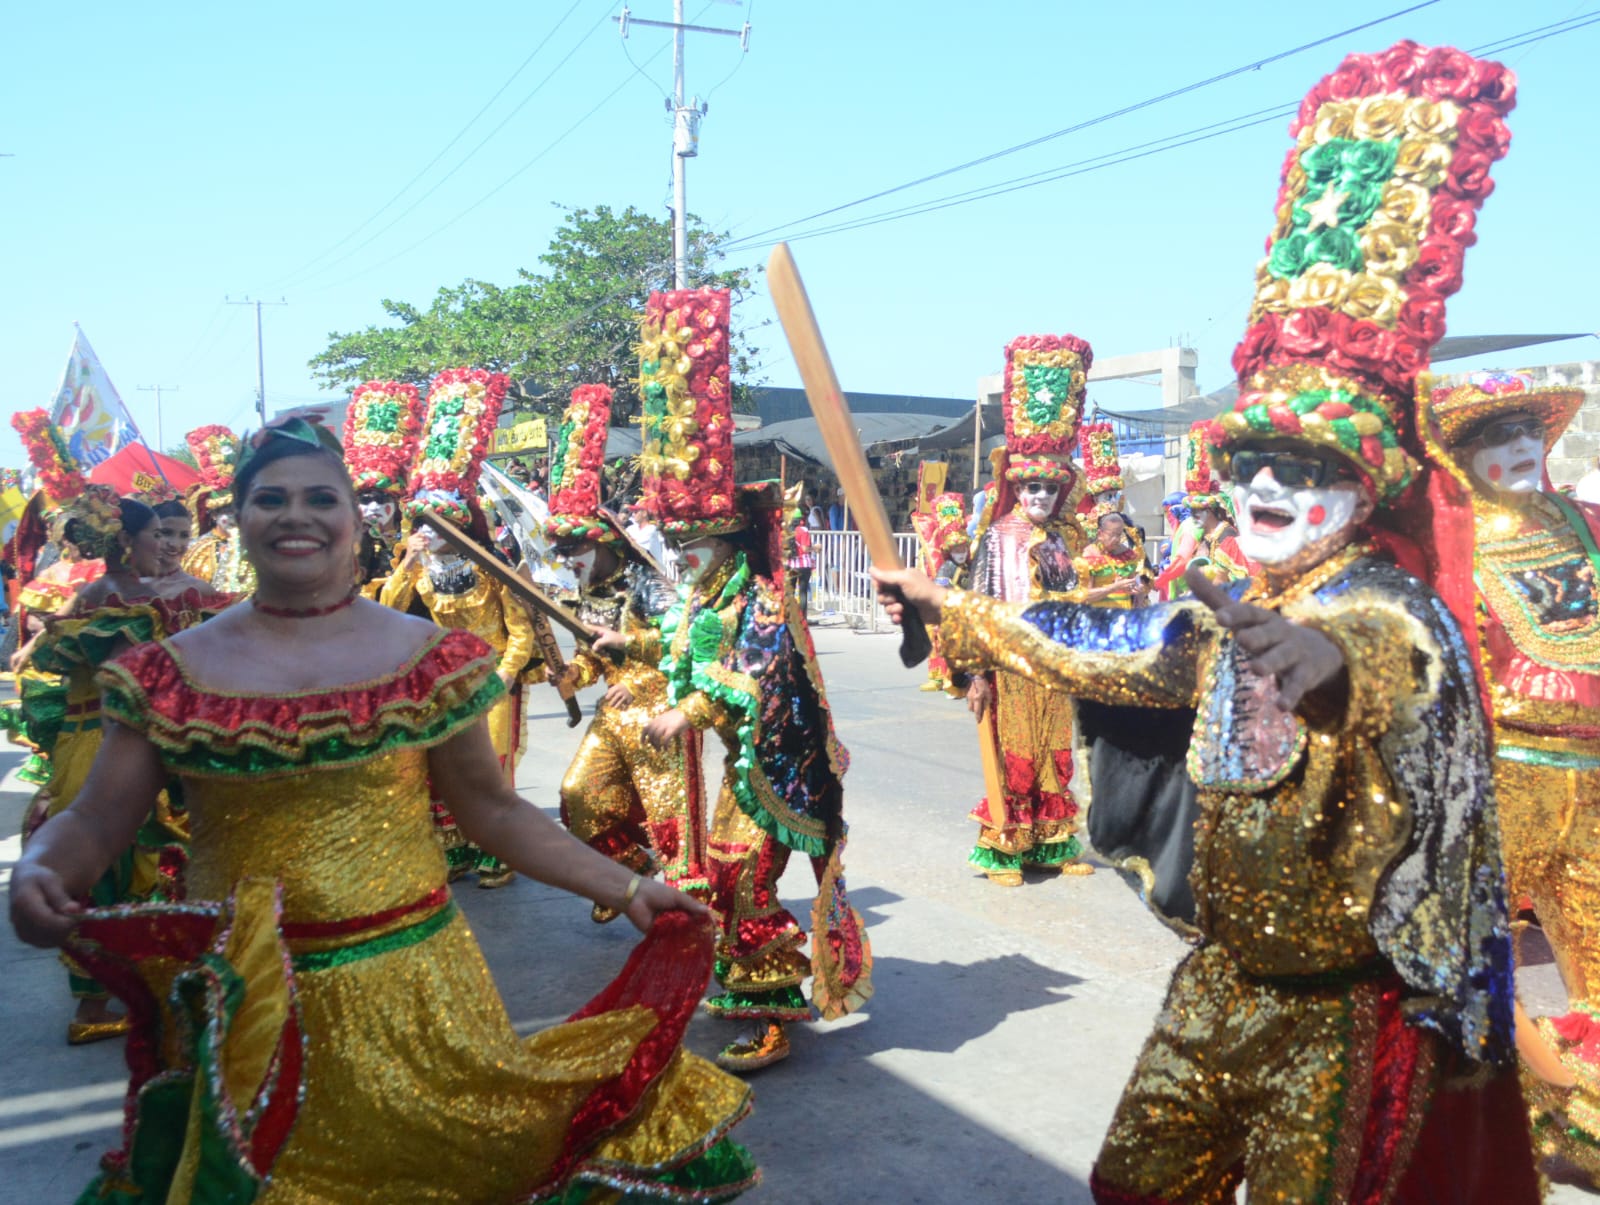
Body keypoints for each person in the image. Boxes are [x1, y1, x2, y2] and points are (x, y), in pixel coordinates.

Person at [880, 40, 1541, 1202]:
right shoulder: (1225, 601)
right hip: (1217, 982)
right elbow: (1107, 647)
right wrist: (958, 605)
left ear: (1362, 485)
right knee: (1133, 1183)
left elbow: (1380, 662)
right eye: (1254, 464)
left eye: (1303, 464)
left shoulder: (1386, 606)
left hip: (1341, 1014)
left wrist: (1316, 660)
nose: (1270, 488)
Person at [8, 419, 758, 1202]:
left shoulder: (425, 657)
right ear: (236, 517)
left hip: (416, 995)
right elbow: (95, 821)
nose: (295, 515)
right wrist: (42, 867)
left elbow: (494, 811)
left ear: (354, 518)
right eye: (271, 498)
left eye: (319, 498)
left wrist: (629, 888)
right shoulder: (169, 672)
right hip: (250, 1010)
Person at [616, 286, 872, 1072]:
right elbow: (675, 653)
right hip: (738, 768)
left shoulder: (761, 598)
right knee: (722, 877)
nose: (684, 554)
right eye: (680, 539)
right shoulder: (702, 595)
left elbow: (757, 679)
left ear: (730, 539)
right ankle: (739, 987)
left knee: (749, 883)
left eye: (697, 540)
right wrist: (621, 644)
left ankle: (773, 1017)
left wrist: (689, 709)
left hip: (780, 770)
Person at [1422, 372, 1600, 1172]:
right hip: (1506, 773)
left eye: (1531, 431)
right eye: (1499, 436)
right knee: (1481, 952)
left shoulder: (1587, 526)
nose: (1523, 447)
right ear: (1463, 458)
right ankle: (1521, 1103)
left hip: (1592, 773)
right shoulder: (1448, 554)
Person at [18, 482, 233, 1043]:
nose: (170, 544)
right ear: (128, 539)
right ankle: (161, 991)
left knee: (102, 871)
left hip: (82, 747)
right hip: (140, 752)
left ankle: (99, 1002)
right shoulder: (181, 596)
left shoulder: (88, 597)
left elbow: (45, 666)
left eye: (175, 534)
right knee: (159, 864)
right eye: (159, 534)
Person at [542, 383, 706, 915]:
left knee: (673, 823)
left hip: (659, 716)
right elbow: (596, 657)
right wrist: (573, 672)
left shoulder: (649, 585)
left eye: (574, 550)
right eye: (561, 552)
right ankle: (631, 878)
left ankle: (691, 915)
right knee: (578, 797)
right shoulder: (587, 591)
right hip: (613, 718)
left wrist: (631, 664)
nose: (567, 561)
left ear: (604, 543)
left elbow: (685, 646)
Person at [380, 368, 540, 889]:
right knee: (448, 767)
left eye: (438, 526)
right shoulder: (421, 570)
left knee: (491, 771)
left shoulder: (497, 572)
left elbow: (522, 633)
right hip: (448, 682)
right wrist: (408, 563)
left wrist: (505, 677)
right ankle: (457, 847)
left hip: (492, 680)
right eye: (422, 526)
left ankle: (500, 853)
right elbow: (389, 605)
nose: (427, 534)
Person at [961, 332, 1096, 886]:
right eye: (1031, 488)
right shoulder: (997, 536)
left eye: (1048, 489)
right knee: (1014, 756)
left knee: (1053, 754)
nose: (1039, 497)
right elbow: (975, 608)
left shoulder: (1063, 537)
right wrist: (974, 674)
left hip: (1053, 666)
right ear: (1017, 489)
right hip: (1013, 666)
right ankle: (1006, 850)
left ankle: (1053, 845)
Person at [342, 379, 423, 594]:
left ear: (395, 503)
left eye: (381, 499)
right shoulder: (350, 543)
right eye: (365, 500)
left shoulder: (413, 534)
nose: (374, 507)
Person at [180, 424, 255, 593]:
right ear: (213, 514)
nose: (235, 516)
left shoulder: (255, 544)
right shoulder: (199, 550)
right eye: (227, 510)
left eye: (240, 509)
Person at [910, 490, 972, 692]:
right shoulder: (944, 564)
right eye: (957, 550)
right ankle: (939, 676)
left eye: (963, 549)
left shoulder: (968, 565)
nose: (961, 553)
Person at [1074, 511, 1150, 608]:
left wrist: (1138, 591)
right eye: (1112, 535)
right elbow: (1084, 596)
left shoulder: (1127, 555)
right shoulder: (1088, 556)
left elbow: (1135, 585)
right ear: (1100, 534)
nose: (1117, 539)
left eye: (1119, 535)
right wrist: (1113, 588)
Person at [785, 508, 814, 614]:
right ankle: (803, 620)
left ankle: (791, 618)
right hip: (804, 566)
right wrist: (815, 548)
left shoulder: (786, 531)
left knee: (791, 592)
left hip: (792, 565)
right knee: (803, 593)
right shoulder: (804, 530)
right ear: (801, 519)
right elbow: (805, 548)